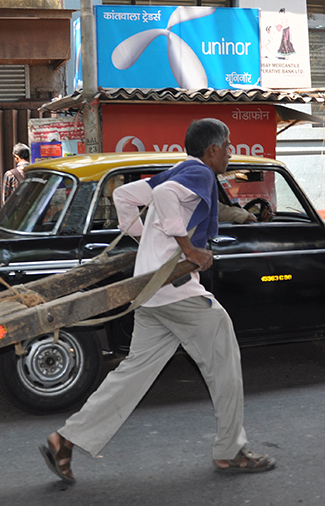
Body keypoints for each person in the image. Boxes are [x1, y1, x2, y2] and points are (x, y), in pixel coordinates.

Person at [38, 118, 274, 484]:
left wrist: (144, 236)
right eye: (227, 146)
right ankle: (231, 452)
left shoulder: (174, 172)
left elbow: (124, 197)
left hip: (151, 288)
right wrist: (189, 250)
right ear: (211, 150)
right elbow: (163, 201)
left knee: (133, 373)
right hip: (173, 288)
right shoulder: (199, 174)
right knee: (224, 354)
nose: (230, 152)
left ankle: (65, 441)